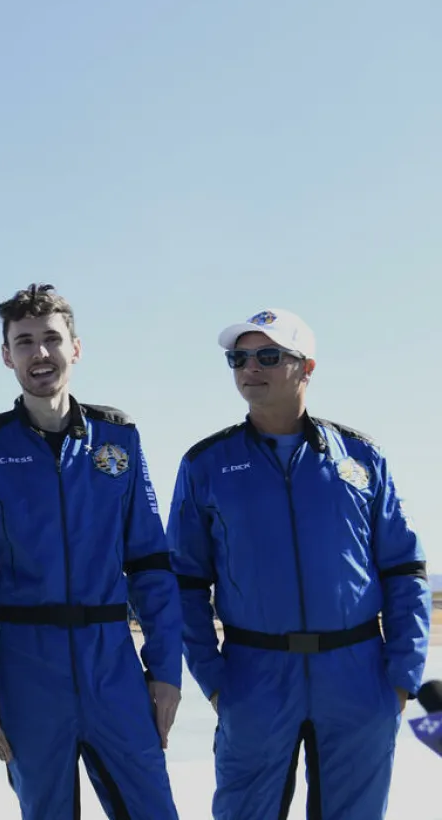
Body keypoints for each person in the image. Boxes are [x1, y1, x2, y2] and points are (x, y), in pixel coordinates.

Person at [169, 307, 429, 819]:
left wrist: (402, 678)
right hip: (254, 676)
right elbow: (184, 582)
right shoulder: (207, 464)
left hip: (357, 675)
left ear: (306, 367)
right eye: (238, 358)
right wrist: (216, 680)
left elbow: (404, 570)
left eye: (268, 355)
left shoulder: (361, 458)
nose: (250, 367)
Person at [0, 283, 183, 819]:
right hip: (27, 673)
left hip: (114, 669)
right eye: (24, 342)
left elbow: (150, 565)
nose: (41, 354)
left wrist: (165, 671)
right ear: (7, 355)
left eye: (52, 339)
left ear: (76, 347)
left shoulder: (118, 440)